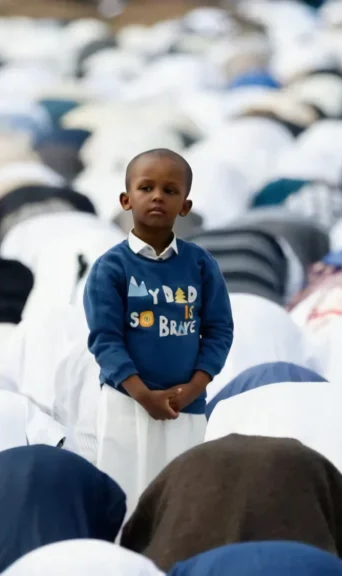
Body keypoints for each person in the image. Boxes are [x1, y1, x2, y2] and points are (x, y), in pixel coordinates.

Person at [84, 148, 234, 511]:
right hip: (127, 404)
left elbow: (218, 330)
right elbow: (105, 340)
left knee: (186, 499)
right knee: (128, 501)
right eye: (146, 187)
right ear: (126, 199)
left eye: (170, 191)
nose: (157, 197)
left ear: (185, 205)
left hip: (187, 405)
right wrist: (142, 394)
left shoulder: (200, 263)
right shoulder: (111, 268)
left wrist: (195, 387)